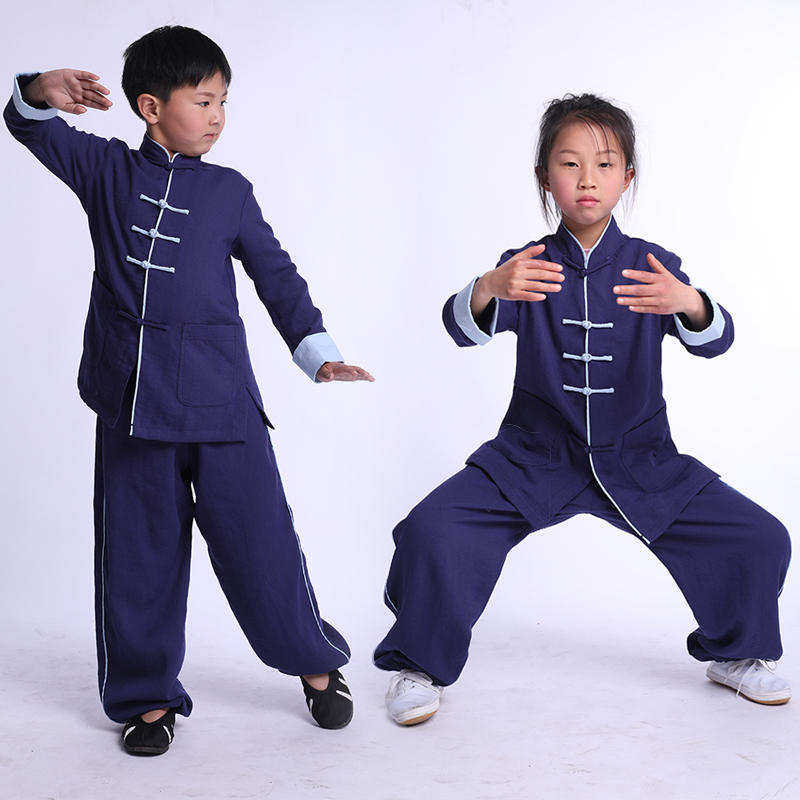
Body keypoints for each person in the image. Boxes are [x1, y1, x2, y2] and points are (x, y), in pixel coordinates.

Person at [4, 25, 372, 755]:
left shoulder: (231, 193)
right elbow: (27, 125)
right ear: (150, 106)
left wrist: (317, 353)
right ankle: (146, 698)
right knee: (136, 554)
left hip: (221, 401)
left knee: (261, 543)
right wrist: (39, 88)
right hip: (131, 402)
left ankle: (314, 662)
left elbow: (276, 275)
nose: (217, 116)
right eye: (203, 101)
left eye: (223, 102)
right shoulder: (105, 171)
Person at [373, 92, 791, 725]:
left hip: (641, 460)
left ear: (628, 177)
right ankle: (419, 666)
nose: (587, 179)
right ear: (546, 177)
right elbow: (461, 330)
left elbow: (717, 340)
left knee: (759, 537)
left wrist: (690, 301)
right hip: (533, 458)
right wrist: (488, 286)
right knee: (434, 530)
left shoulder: (653, 265)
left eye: (604, 163)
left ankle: (735, 655)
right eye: (570, 163)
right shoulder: (527, 265)